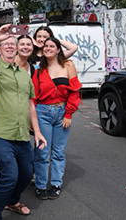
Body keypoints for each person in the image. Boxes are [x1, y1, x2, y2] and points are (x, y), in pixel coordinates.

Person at [0, 24, 47, 219]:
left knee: (26, 174)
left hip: (22, 134)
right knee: (9, 175)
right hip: (0, 133)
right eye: (5, 44)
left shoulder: (24, 74)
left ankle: (11, 200)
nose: (9, 46)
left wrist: (38, 132)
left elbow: (30, 105)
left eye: (12, 44)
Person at [32, 36, 81, 200]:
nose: (47, 49)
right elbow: (32, 98)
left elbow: (75, 92)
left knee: (58, 153)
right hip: (43, 112)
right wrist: (31, 121)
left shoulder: (68, 65)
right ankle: (40, 185)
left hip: (62, 112)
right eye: (45, 46)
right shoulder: (39, 70)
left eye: (51, 46)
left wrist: (68, 114)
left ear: (58, 49)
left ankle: (55, 184)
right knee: (42, 152)